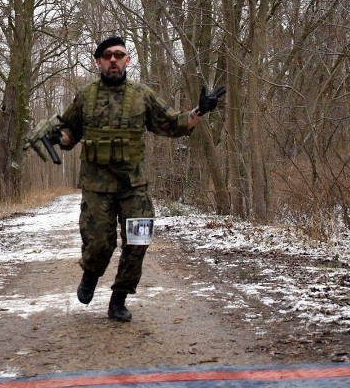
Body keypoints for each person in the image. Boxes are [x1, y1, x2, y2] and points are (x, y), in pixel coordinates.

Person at [52, 36, 224, 322]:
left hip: (133, 185)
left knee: (138, 241)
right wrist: (58, 136)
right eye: (107, 55)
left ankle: (118, 299)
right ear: (98, 61)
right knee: (98, 244)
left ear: (128, 60)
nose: (113, 60)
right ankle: (90, 275)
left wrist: (201, 111)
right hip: (97, 186)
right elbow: (70, 132)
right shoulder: (85, 96)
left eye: (119, 55)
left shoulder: (142, 95)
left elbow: (173, 123)